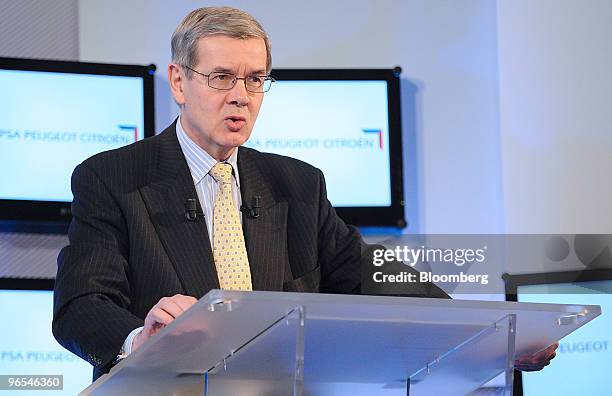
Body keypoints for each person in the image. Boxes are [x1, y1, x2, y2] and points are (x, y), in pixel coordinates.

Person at [52, 6, 556, 381]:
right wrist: (141, 339)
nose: (241, 96)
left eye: (255, 80)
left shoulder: (297, 185)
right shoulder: (112, 178)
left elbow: (371, 278)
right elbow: (81, 305)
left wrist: (485, 333)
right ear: (179, 82)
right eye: (222, 77)